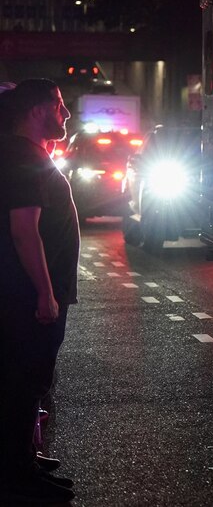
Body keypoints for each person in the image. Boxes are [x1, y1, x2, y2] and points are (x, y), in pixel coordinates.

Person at [0, 78, 79, 504]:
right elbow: (24, 232)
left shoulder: (26, 154)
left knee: (26, 381)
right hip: (27, 297)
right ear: (36, 111)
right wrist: (45, 293)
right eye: (59, 105)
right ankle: (17, 478)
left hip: (28, 294)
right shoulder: (21, 157)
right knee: (24, 382)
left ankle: (23, 461)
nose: (65, 114)